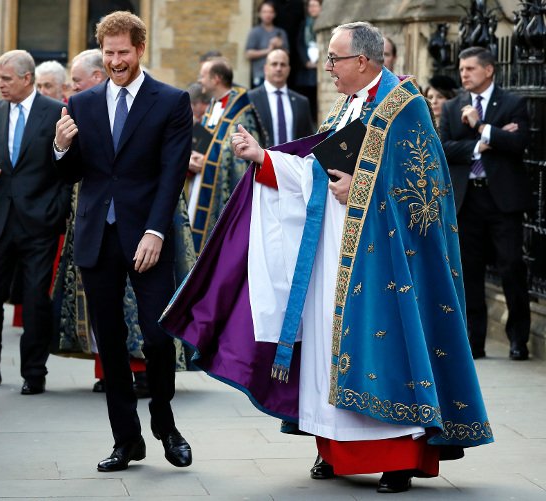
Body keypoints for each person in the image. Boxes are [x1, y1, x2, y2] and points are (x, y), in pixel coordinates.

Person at [162, 21, 492, 493]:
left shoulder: (405, 105)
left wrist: (360, 190)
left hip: (382, 263)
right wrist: (264, 158)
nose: (327, 66)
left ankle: (397, 457)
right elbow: (318, 169)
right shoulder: (346, 106)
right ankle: (333, 449)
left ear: (362, 61)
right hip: (333, 254)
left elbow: (424, 193)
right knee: (324, 353)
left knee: (383, 349)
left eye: (334, 59)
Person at [54, 10, 193, 472]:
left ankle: (165, 424)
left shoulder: (171, 101)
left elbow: (172, 174)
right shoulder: (83, 103)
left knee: (156, 337)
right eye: (109, 53)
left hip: (147, 235)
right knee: (109, 342)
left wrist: (156, 231)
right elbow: (74, 174)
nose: (116, 61)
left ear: (139, 50)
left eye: (123, 53)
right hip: (98, 237)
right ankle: (125, 440)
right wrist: (60, 147)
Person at [0, 49, 70, 394]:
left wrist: (55, 208)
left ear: (27, 79)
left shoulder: (56, 112)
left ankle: (34, 372)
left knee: (36, 300)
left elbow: (66, 165)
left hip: (39, 223)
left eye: (6, 78)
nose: (0, 84)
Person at [440, 46, 532, 361]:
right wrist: (485, 143)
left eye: (470, 69)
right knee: (470, 272)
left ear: (489, 70)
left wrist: (481, 126)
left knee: (511, 268)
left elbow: (518, 143)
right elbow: (444, 148)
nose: (463, 74)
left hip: (503, 201)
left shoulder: (513, 103)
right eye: (461, 69)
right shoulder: (452, 107)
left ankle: (519, 340)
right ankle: (474, 342)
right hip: (468, 200)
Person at [188, 57, 260, 253]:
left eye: (203, 76)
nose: (200, 81)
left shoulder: (241, 112)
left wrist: (208, 161)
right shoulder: (214, 105)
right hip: (199, 184)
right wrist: (191, 158)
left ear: (216, 79)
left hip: (221, 192)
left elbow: (239, 158)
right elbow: (202, 142)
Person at [247, 48, 314, 148]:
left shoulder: (302, 102)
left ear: (288, 69)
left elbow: (308, 140)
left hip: (293, 162)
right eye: (274, 64)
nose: (279, 68)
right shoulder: (250, 99)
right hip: (261, 161)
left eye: (283, 64)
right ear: (265, 68)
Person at [245, 1, 290, 88]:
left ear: (274, 14)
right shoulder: (255, 32)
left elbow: (287, 54)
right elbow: (248, 53)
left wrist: (280, 46)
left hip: (278, 75)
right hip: (260, 74)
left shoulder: (280, 32)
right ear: (259, 14)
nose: (267, 15)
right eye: (265, 12)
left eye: (270, 12)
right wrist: (268, 50)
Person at [295, 0, 321, 119]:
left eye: (315, 6)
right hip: (306, 67)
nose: (312, 9)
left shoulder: (324, 24)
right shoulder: (304, 24)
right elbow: (300, 44)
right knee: (306, 94)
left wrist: (319, 62)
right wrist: (306, 61)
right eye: (310, 6)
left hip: (320, 67)